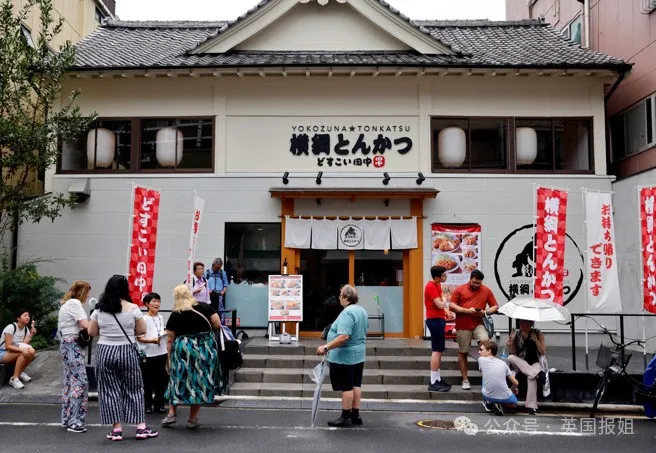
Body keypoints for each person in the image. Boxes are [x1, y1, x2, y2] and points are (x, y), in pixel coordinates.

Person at [88, 274, 158, 441]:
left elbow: (92, 332)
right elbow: (142, 330)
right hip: (127, 350)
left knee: (109, 390)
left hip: (105, 351)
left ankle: (116, 429)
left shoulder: (99, 309)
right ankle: (140, 427)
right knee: (134, 388)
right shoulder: (132, 308)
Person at [162, 284, 226, 430]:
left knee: (177, 379)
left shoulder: (176, 313)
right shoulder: (205, 307)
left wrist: (169, 358)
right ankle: (192, 419)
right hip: (204, 349)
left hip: (183, 350)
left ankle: (171, 413)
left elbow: (170, 339)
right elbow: (217, 324)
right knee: (199, 381)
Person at [316, 284, 368, 428]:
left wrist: (326, 347)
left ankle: (345, 417)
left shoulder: (347, 312)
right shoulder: (361, 310)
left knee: (347, 387)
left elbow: (343, 336)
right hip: (358, 354)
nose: (339, 298)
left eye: (340, 295)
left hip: (345, 356)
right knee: (356, 384)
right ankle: (355, 415)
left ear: (345, 296)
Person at [448, 269, 499, 390]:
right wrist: (467, 311)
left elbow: (495, 306)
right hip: (463, 325)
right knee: (463, 352)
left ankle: (488, 375)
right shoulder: (460, 289)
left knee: (486, 344)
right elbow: (451, 305)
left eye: (478, 283)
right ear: (470, 279)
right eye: (474, 282)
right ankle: (465, 379)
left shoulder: (486, 290)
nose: (476, 285)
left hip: (478, 324)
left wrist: (485, 312)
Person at [58, 281, 92, 433]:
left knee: (69, 382)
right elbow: (86, 325)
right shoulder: (74, 303)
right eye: (87, 292)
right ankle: (76, 421)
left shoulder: (66, 304)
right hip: (73, 344)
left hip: (66, 343)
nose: (88, 295)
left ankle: (67, 418)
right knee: (80, 382)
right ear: (81, 292)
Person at [507, 319, 546, 415]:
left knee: (531, 378)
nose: (521, 324)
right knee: (510, 357)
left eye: (524, 322)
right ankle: (536, 374)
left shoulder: (537, 333)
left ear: (531, 323)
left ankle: (531, 406)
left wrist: (536, 340)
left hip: (535, 363)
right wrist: (510, 344)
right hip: (522, 363)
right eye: (520, 322)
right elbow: (513, 353)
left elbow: (542, 352)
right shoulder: (517, 334)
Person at [137, 293, 168, 415]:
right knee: (148, 381)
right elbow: (139, 337)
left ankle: (159, 404)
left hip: (161, 352)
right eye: (154, 301)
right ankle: (147, 405)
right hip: (148, 354)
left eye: (158, 301)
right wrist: (152, 340)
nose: (156, 304)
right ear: (147, 304)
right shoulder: (144, 319)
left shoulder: (160, 317)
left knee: (161, 380)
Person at [424, 265, 451, 392]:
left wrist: (446, 312)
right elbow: (440, 304)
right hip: (434, 320)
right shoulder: (430, 286)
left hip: (438, 319)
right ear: (436, 278)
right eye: (444, 275)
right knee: (436, 350)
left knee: (439, 350)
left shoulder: (437, 285)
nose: (446, 277)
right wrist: (445, 299)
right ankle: (433, 381)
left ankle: (437, 378)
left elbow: (440, 306)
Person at [478, 340, 519, 416]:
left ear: (489, 351)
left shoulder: (481, 359)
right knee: (514, 404)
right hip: (505, 396)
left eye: (481, 349)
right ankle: (500, 403)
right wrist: (512, 389)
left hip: (488, 395)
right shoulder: (503, 363)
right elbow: (516, 383)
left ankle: (489, 402)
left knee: (485, 377)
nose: (479, 352)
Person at [0, 308, 37, 389]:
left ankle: (19, 373)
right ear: (18, 318)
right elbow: (8, 346)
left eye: (28, 316)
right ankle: (14, 379)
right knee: (22, 352)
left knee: (32, 351)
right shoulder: (11, 327)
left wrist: (31, 334)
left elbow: (23, 345)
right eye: (25, 315)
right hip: (2, 352)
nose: (28, 317)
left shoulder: (26, 329)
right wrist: (21, 350)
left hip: (12, 352)